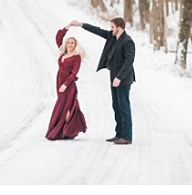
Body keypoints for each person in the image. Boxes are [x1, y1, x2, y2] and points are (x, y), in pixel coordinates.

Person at [68, 17, 136, 145]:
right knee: (116, 105)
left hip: (123, 79)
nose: (111, 30)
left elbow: (129, 62)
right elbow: (97, 30)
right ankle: (119, 133)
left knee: (124, 106)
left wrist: (119, 77)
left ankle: (127, 136)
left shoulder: (128, 41)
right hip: (114, 77)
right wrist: (80, 24)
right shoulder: (112, 37)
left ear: (119, 28)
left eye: (113, 27)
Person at [46, 27, 88, 140]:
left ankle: (67, 131)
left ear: (75, 45)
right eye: (68, 42)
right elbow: (58, 37)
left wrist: (66, 84)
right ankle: (62, 130)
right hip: (59, 80)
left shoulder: (76, 57)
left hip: (68, 83)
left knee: (68, 106)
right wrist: (67, 27)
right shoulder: (62, 52)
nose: (69, 44)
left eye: (72, 43)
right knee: (62, 105)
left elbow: (74, 73)